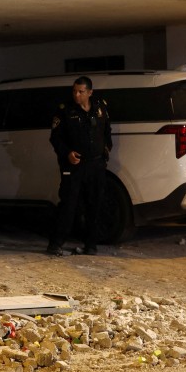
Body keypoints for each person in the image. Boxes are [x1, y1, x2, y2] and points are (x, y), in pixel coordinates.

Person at [46, 76, 112, 256]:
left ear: (90, 92)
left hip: (96, 165)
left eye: (81, 92)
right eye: (74, 91)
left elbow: (107, 131)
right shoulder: (65, 110)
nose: (76, 95)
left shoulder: (100, 107)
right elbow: (55, 138)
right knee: (69, 205)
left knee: (95, 205)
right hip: (74, 166)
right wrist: (67, 153)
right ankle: (56, 244)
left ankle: (90, 245)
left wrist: (106, 149)